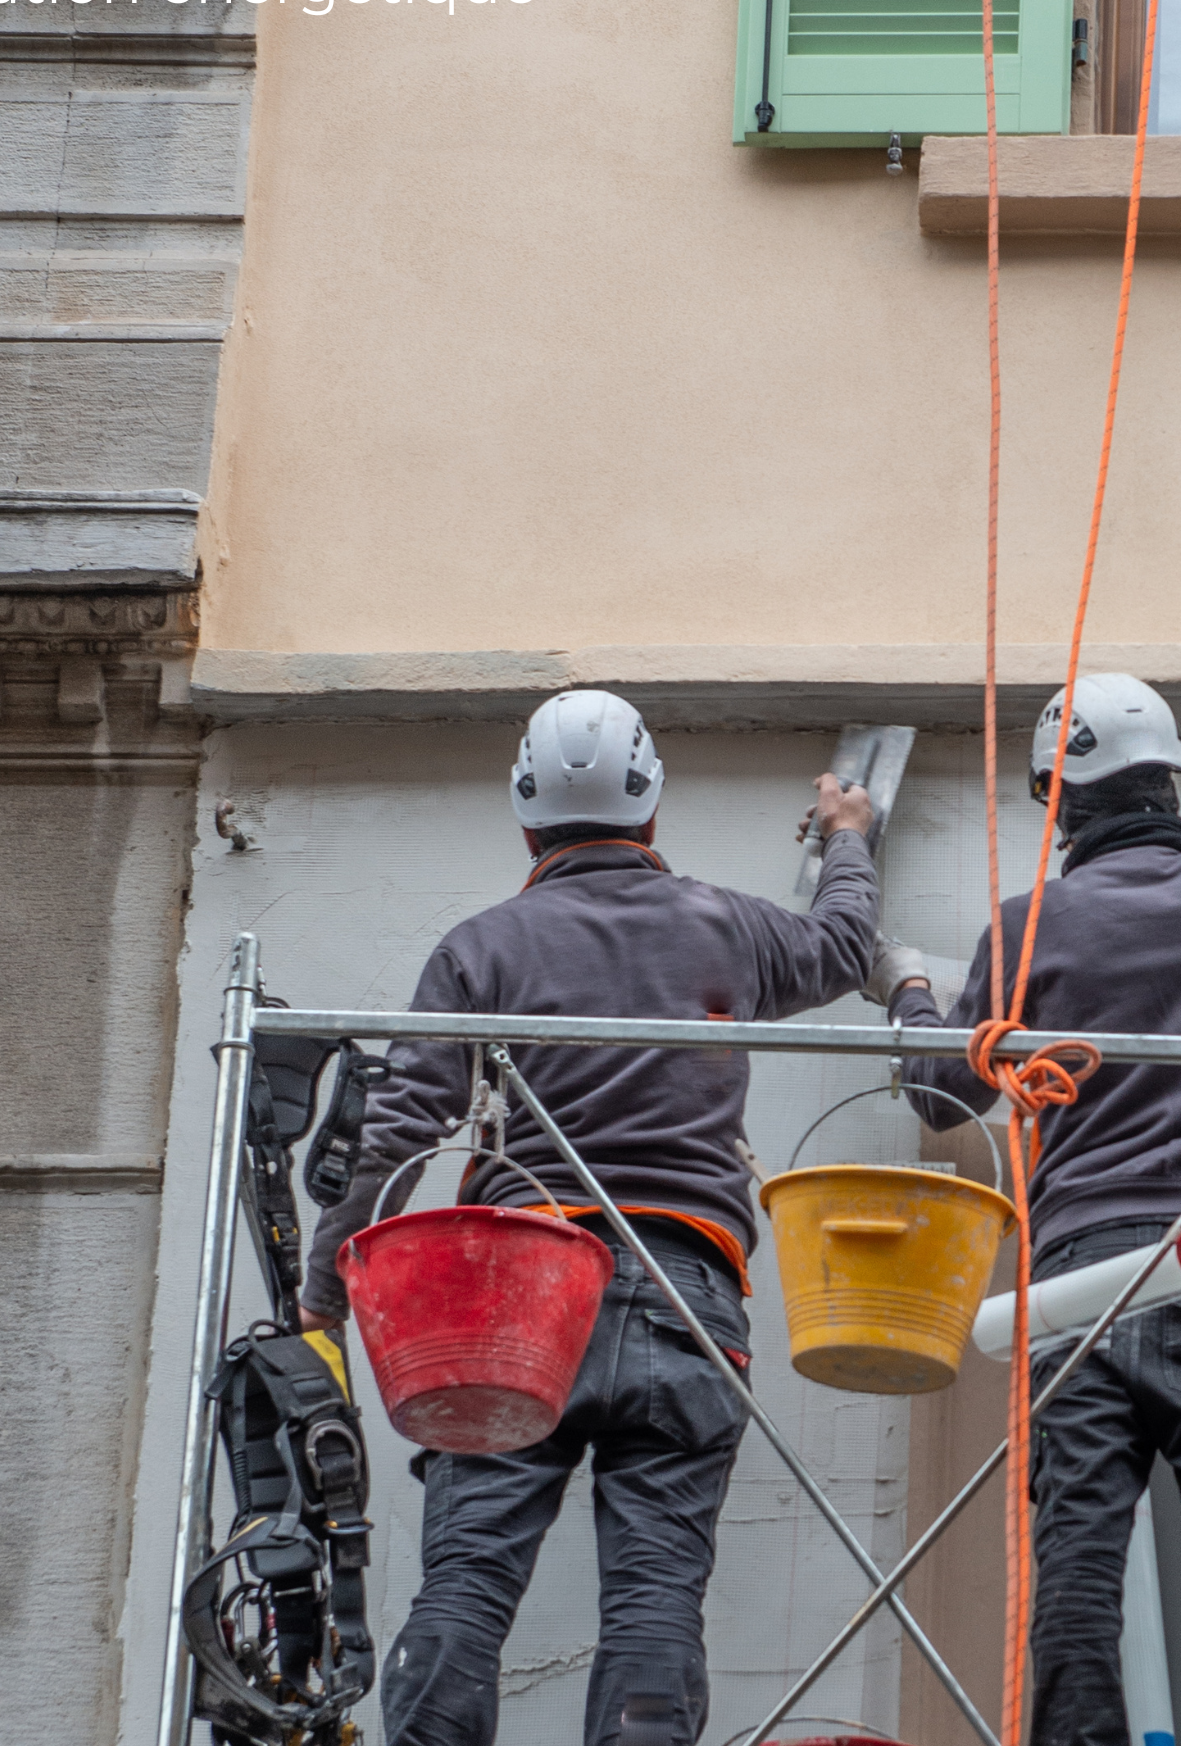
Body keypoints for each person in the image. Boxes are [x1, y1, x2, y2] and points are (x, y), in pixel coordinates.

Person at [299, 688, 882, 1746]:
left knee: (470, 1579)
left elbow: (394, 1131)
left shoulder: (485, 947)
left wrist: (323, 1287)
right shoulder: (727, 926)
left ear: (527, 816)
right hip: (687, 1292)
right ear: (651, 807)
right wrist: (849, 836)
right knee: (656, 1595)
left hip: (520, 1298)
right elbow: (846, 948)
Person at [871, 673, 1181, 1746]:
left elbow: (936, 1092)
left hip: (1082, 1287)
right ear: (1169, 779)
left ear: (1060, 801)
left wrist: (911, 991)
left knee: (1078, 1553)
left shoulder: (1031, 927)